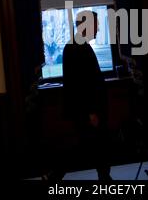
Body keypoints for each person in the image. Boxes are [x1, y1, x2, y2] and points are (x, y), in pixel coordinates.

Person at [44, 11, 112, 181]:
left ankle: (103, 178)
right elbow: (79, 85)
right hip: (87, 110)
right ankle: (55, 175)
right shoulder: (76, 48)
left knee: (92, 147)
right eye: (96, 25)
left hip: (87, 109)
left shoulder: (77, 45)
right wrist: (91, 112)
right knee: (88, 147)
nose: (97, 29)